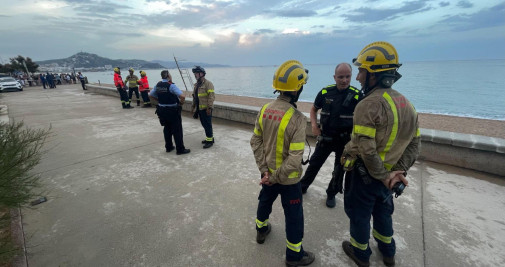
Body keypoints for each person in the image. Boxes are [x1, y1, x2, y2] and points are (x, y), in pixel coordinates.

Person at [340, 41, 421, 267]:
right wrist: (397, 172)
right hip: (389, 178)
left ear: (374, 75)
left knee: (359, 215)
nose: (357, 78)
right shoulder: (407, 104)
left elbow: (365, 148)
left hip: (366, 176)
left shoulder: (368, 105)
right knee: (384, 213)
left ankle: (360, 254)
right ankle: (388, 252)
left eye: (361, 72)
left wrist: (383, 175)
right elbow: (415, 143)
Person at [251, 60, 315, 267]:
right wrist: (276, 177)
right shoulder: (297, 118)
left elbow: (255, 141)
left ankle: (261, 230)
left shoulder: (265, 109)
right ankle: (294, 256)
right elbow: (295, 159)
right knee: (294, 216)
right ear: (297, 90)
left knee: (264, 202)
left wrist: (265, 173)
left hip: (268, 175)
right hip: (288, 180)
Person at [300, 63, 360, 208]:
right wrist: (314, 126)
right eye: (340, 77)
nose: (344, 80)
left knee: (339, 170)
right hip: (325, 138)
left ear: (351, 76)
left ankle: (331, 193)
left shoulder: (357, 96)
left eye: (347, 76)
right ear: (335, 77)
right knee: (314, 164)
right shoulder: (325, 93)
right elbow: (313, 110)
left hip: (344, 142)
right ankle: (303, 186)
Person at [150, 70, 190, 155]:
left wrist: (159, 100)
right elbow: (182, 96)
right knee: (177, 130)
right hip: (172, 111)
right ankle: (180, 149)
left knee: (167, 129)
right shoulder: (171, 85)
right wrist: (180, 103)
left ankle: (168, 147)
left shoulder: (158, 85)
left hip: (162, 110)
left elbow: (151, 95)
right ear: (168, 76)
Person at [191, 66, 215, 149]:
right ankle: (210, 137)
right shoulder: (197, 85)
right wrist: (193, 107)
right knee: (204, 124)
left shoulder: (208, 84)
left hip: (206, 109)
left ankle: (209, 141)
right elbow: (195, 97)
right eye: (194, 74)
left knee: (207, 125)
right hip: (199, 109)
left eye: (196, 73)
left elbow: (211, 97)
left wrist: (209, 108)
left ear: (201, 74)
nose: (195, 75)